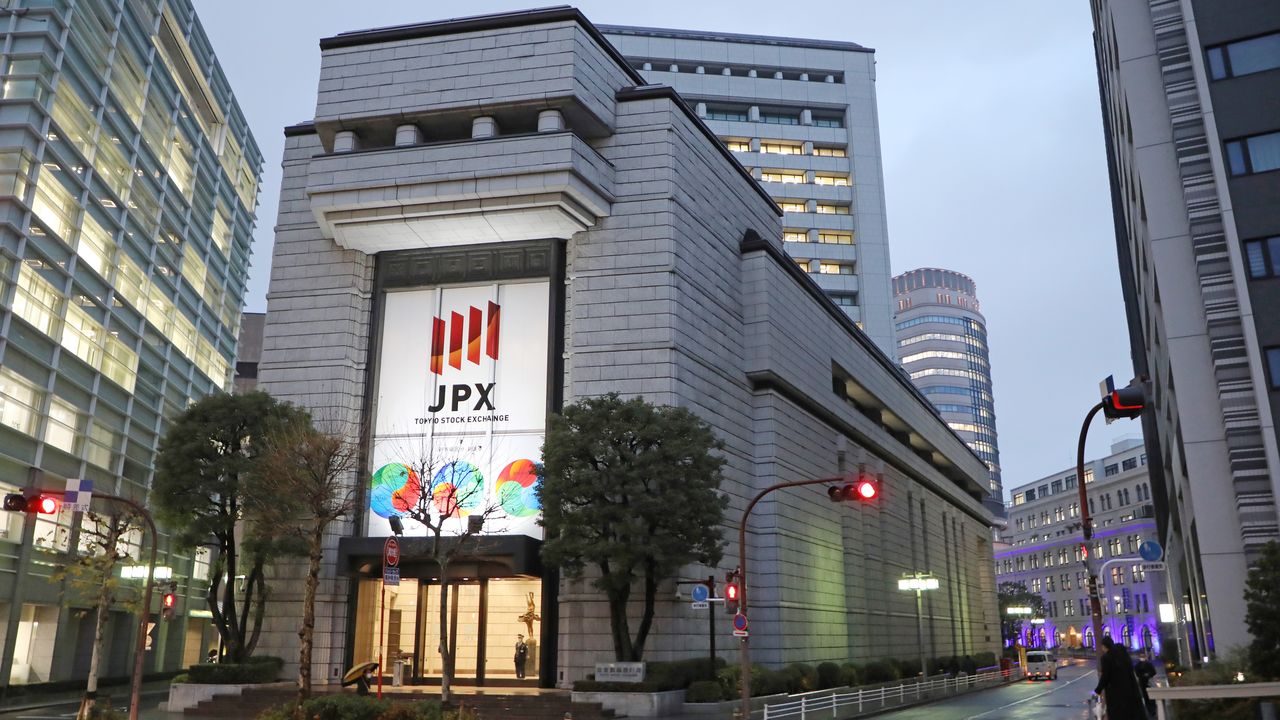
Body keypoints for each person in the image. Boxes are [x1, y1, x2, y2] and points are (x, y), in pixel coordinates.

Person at [1093, 636, 1146, 720]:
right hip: (1129, 691)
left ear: (1104, 646)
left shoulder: (1106, 658)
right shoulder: (1122, 656)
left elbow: (1105, 676)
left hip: (1115, 692)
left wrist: (1098, 690)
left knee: (1117, 713)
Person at [1135, 650, 1158, 718]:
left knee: (1150, 698)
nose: (1142, 657)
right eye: (1141, 656)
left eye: (1143, 656)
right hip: (1143, 683)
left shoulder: (1148, 664)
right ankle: (1151, 711)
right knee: (1147, 698)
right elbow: (1137, 674)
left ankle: (1152, 711)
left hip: (1148, 682)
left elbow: (1153, 672)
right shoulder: (1138, 665)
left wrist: (1148, 675)